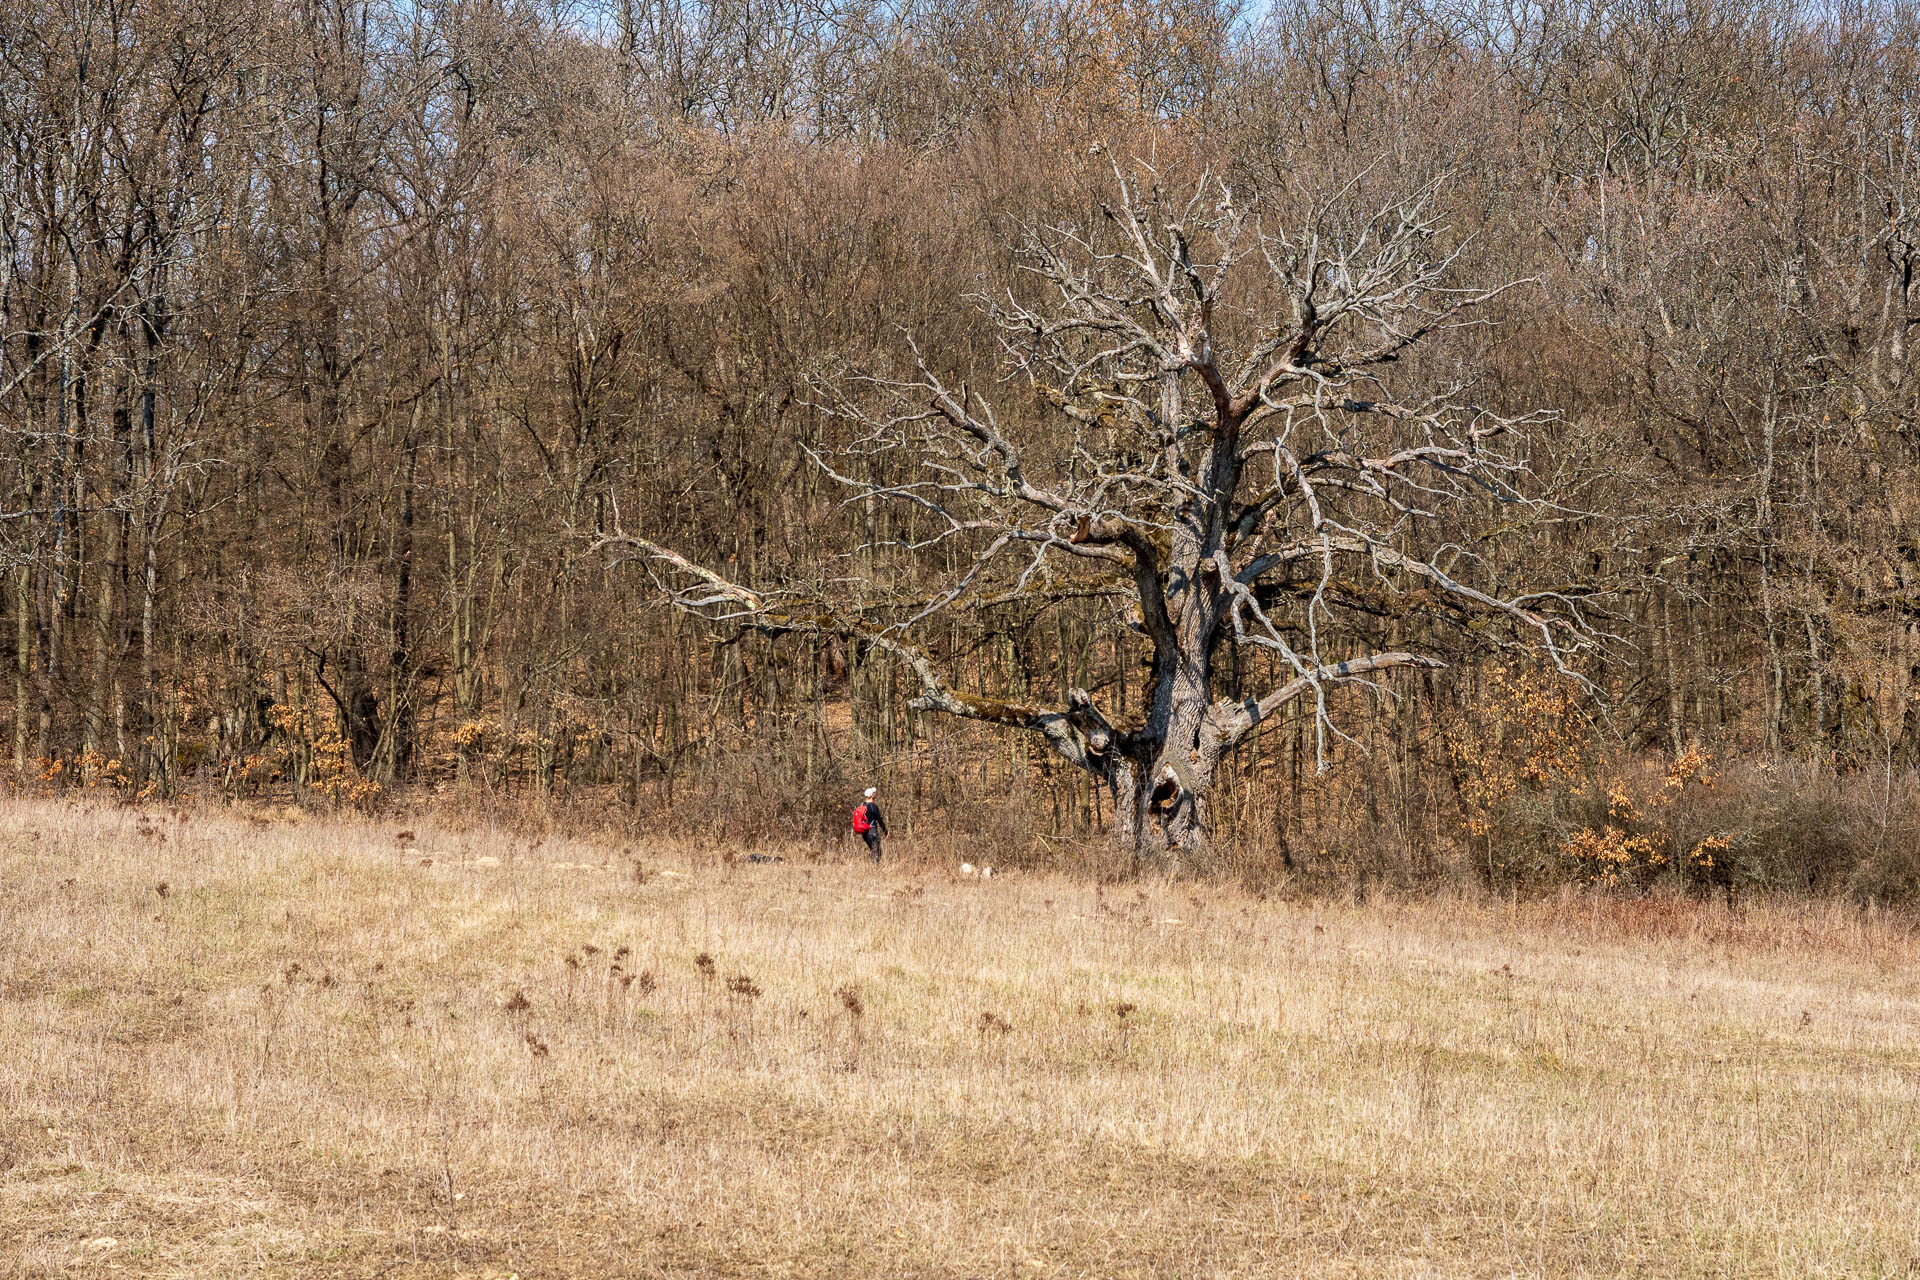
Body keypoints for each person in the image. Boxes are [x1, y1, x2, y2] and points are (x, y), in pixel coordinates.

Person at [852, 786, 889, 862]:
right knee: (877, 852)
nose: (875, 794)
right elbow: (879, 820)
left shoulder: (862, 805)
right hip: (872, 831)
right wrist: (885, 832)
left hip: (864, 833)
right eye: (874, 793)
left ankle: (872, 868)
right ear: (871, 795)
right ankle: (874, 870)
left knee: (874, 850)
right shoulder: (873, 806)